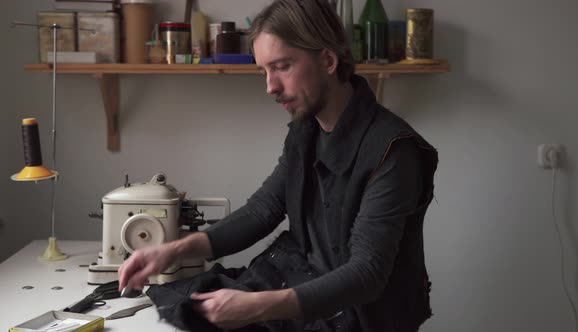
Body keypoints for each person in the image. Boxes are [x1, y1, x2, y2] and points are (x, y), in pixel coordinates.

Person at [118, 0, 438, 331]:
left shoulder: (394, 151)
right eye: (264, 70)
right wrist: (170, 253)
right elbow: (263, 210)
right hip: (302, 286)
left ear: (328, 60)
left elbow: (366, 274)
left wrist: (258, 307)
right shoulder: (306, 129)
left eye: (282, 66)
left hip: (363, 317)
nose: (270, 86)